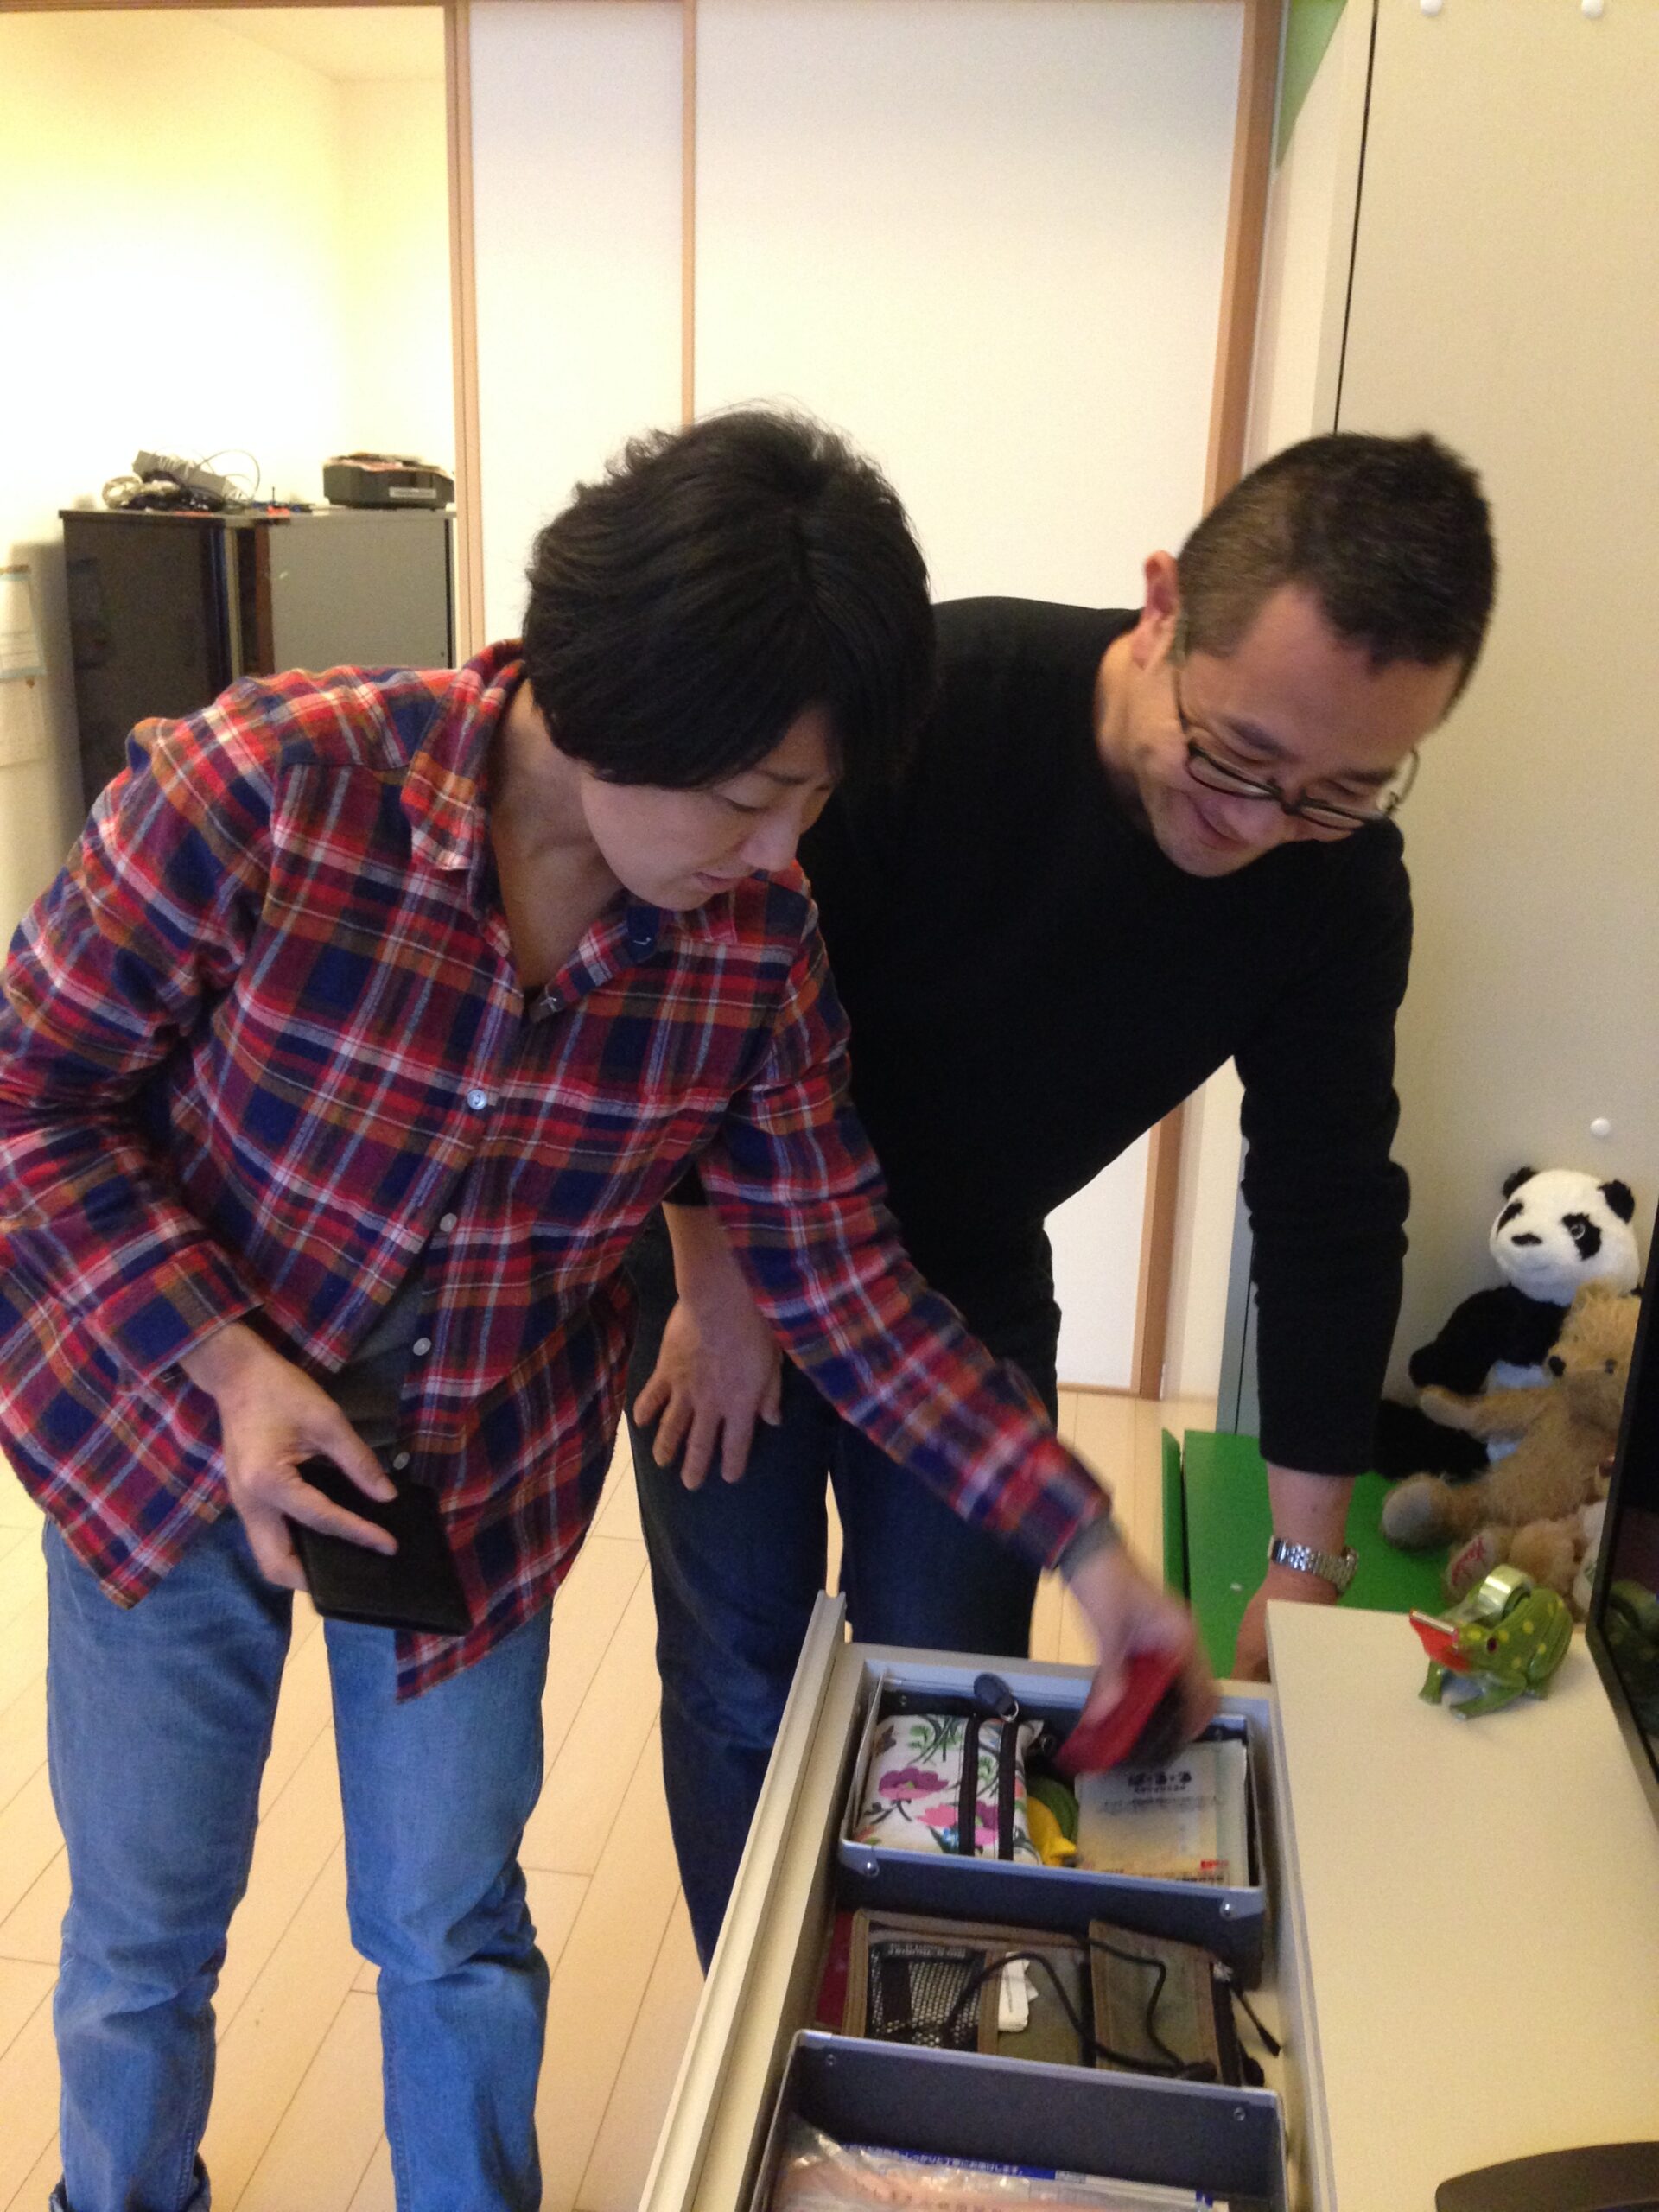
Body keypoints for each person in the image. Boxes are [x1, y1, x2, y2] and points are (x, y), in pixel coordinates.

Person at [0, 410, 1208, 2212]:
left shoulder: (752, 946)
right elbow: (33, 1097)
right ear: (603, 694)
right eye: (750, 795)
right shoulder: (269, 784)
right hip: (162, 1435)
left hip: (473, 1473)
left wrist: (1090, 1551)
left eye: (813, 803)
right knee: (140, 1932)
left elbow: (850, 1288)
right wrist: (232, 1362)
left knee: (453, 1924)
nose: (780, 850)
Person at [627, 429, 1498, 1962]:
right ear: (1161, 609)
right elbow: (702, 998)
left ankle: (915, 2026)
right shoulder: (938, 709)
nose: (1261, 824)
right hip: (731, 1240)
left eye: (1336, 793)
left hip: (959, 1274)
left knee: (952, 1678)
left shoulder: (1340, 885)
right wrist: (712, 1288)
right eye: (1233, 757)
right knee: (738, 1669)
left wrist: (1301, 1561)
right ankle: (747, 2024)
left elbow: (1326, 1201)